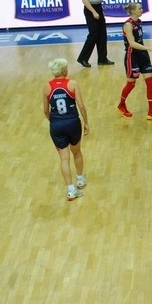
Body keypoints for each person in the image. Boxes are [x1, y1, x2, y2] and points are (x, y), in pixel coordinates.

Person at [43, 58, 89, 201]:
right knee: (77, 152)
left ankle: (71, 190)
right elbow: (81, 106)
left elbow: (45, 110)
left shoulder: (46, 86)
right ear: (64, 70)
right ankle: (80, 180)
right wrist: (86, 122)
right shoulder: (72, 84)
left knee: (64, 158)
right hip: (73, 123)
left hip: (56, 125)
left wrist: (54, 121)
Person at [116, 2, 152, 121]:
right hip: (132, 56)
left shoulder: (138, 22)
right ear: (133, 11)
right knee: (131, 83)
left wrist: (145, 50)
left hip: (142, 55)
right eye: (139, 8)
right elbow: (132, 43)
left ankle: (151, 111)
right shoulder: (128, 25)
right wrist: (149, 48)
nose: (142, 10)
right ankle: (121, 105)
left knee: (150, 82)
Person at [76, 0, 114, 68]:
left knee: (102, 34)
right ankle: (83, 58)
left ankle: (102, 58)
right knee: (93, 35)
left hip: (98, 8)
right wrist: (93, 12)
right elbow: (84, 0)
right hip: (91, 9)